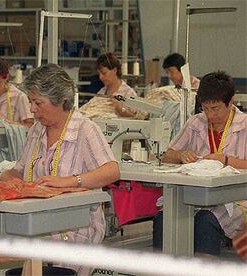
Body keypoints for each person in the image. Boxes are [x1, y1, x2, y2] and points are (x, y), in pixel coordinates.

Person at [0, 63, 120, 275]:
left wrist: (69, 181)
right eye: (30, 102)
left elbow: (111, 171)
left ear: (60, 101)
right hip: (37, 228)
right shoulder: (37, 129)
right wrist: (8, 176)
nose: (32, 109)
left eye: (38, 102)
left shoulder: (85, 129)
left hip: (75, 232)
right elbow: (19, 170)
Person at [153, 71, 247, 257]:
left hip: (233, 199)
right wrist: (181, 155)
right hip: (193, 197)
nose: (210, 115)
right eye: (205, 108)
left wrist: (226, 160)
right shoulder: (195, 123)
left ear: (230, 102)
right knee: (164, 219)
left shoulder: (244, 126)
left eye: (216, 108)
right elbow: (167, 156)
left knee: (206, 221)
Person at [96, 52, 137, 117]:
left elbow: (138, 120)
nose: (100, 77)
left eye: (104, 73)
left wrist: (120, 109)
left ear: (114, 70)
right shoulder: (102, 92)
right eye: (99, 74)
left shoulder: (129, 93)